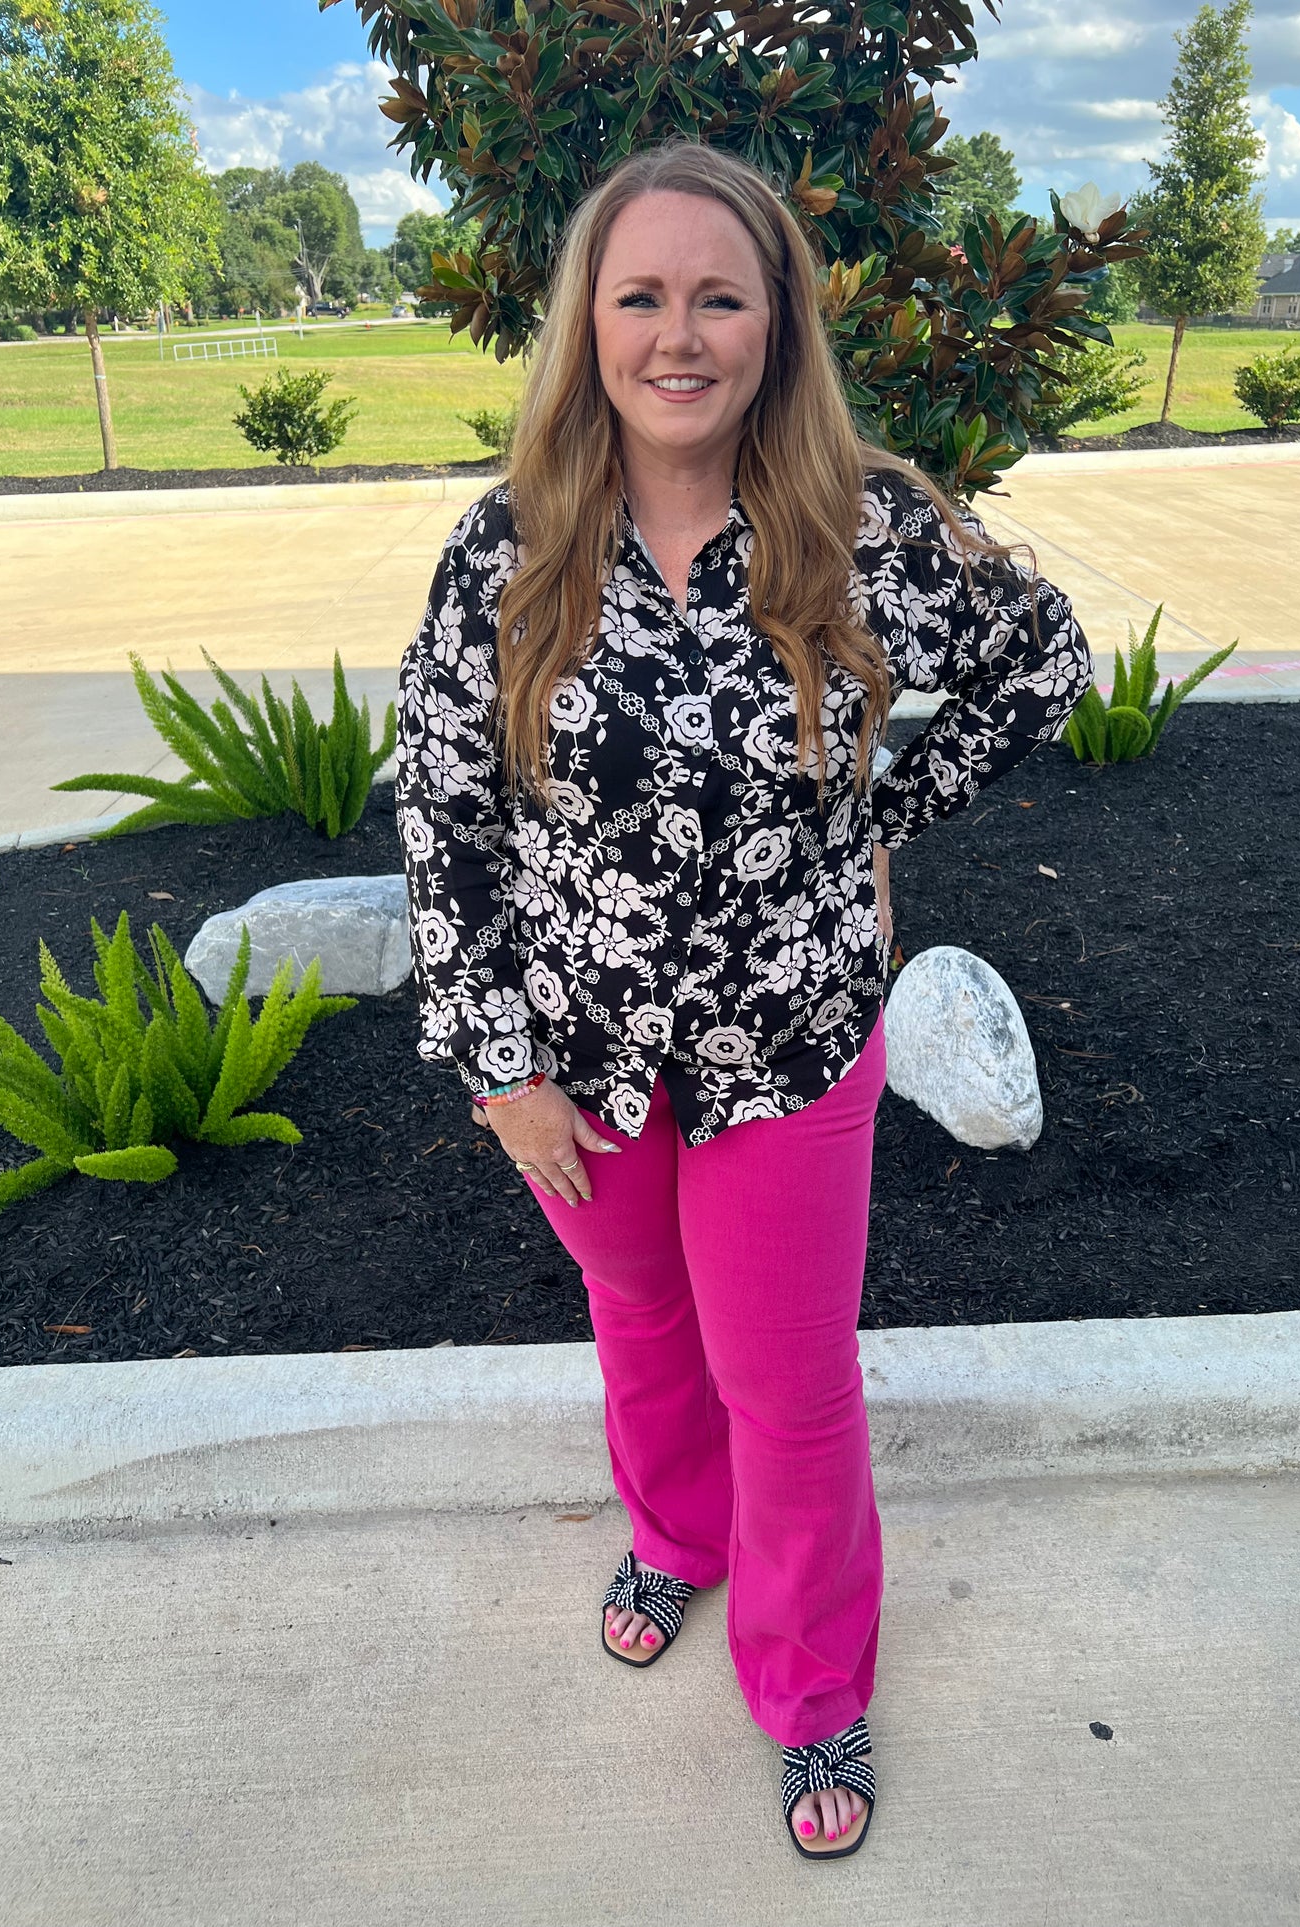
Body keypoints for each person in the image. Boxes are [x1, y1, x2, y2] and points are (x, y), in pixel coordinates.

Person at [396, 138, 1094, 1861]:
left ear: (777, 320)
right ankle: (672, 1533)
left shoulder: (871, 527)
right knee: (640, 1324)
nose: (678, 334)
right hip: (577, 1058)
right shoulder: (513, 544)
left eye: (720, 294)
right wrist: (498, 1064)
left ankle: (811, 1688)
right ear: (590, 323)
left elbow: (1043, 665)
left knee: (789, 1386)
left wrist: (874, 816)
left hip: (789, 1046)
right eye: (640, 295)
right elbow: (440, 803)